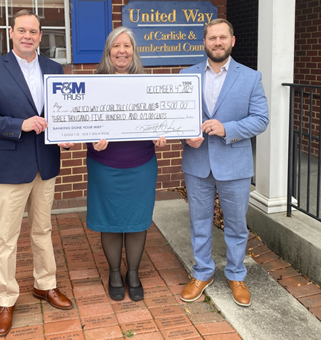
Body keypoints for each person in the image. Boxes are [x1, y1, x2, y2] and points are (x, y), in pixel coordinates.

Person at [0, 10, 73, 337]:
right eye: (22, 30)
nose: (28, 36)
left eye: (34, 31)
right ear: (11, 33)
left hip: (45, 163)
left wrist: (67, 133)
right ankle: (7, 298)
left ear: (41, 36)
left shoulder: (54, 69)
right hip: (9, 165)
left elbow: (62, 114)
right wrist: (20, 124)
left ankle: (45, 285)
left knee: (42, 229)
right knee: (7, 236)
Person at [179, 18, 269, 307]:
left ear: (232, 41)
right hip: (197, 161)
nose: (217, 42)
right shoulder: (186, 75)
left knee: (236, 225)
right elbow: (179, 118)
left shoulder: (250, 77)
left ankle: (236, 274)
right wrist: (186, 137)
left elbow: (260, 119)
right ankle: (202, 273)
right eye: (211, 38)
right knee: (199, 222)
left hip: (235, 163)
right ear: (204, 43)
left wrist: (227, 128)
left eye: (222, 37)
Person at [86, 26, 166, 301]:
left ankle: (133, 272)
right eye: (116, 46)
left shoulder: (147, 83)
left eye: (127, 46)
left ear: (134, 52)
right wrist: (90, 139)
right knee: (109, 220)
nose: (122, 51)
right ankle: (114, 272)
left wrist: (161, 133)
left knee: (136, 220)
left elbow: (159, 117)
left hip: (141, 162)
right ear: (108, 51)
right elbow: (83, 121)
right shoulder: (94, 83)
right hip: (104, 162)